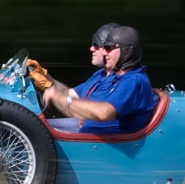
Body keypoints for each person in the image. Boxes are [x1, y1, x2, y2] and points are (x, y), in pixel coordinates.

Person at [29, 25, 158, 134]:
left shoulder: (134, 81)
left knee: (32, 129)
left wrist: (60, 99)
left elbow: (104, 113)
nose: (104, 52)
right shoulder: (112, 76)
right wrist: (45, 76)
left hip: (99, 144)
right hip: (87, 131)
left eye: (108, 48)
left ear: (126, 50)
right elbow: (70, 94)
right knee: (33, 125)